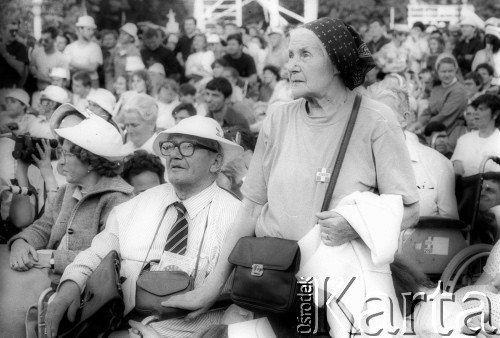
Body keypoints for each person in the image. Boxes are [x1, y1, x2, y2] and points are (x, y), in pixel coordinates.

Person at [161, 18, 419, 336]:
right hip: (271, 280)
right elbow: (251, 208)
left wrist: (355, 226)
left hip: (338, 289)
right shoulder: (278, 117)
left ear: (337, 62)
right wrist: (209, 288)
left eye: (304, 55)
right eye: (290, 55)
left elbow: (409, 211)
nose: (291, 66)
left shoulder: (376, 120)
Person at [44, 116, 243, 338]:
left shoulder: (238, 218)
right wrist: (70, 285)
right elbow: (97, 253)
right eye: (170, 147)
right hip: (123, 328)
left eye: (188, 147)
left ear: (215, 162)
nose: (174, 154)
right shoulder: (137, 205)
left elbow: (248, 306)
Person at [0, 111, 133, 337]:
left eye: (66, 154)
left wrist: (50, 259)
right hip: (43, 270)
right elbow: (43, 226)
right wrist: (22, 241)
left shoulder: (118, 200)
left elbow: (107, 259)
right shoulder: (69, 188)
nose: (60, 161)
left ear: (90, 161)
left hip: (70, 285)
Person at [369, 85, 458, 218]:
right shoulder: (354, 161)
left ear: (405, 118)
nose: (374, 122)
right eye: (370, 115)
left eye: (383, 115)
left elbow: (449, 226)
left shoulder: (437, 163)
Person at [412, 53, 468, 136]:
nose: (447, 75)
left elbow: (444, 116)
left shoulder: (459, 90)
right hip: (432, 126)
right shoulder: (437, 88)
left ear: (455, 71)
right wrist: (419, 123)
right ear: (437, 71)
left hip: (450, 131)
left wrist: (423, 129)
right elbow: (429, 111)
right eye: (443, 71)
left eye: (450, 71)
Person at [452, 94, 500, 176]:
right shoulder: (464, 139)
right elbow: (457, 169)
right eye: (476, 109)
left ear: (495, 114)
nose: (476, 113)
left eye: (481, 109)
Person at [64, 16, 103, 88]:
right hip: (75, 83)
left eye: (93, 30)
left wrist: (72, 63)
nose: (91, 32)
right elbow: (66, 67)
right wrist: (84, 66)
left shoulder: (95, 47)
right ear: (80, 29)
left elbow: (92, 68)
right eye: (88, 29)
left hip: (91, 83)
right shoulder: (69, 47)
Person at [30, 27, 68, 91]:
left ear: (54, 40)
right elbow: (31, 68)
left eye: (46, 40)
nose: (43, 43)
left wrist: (45, 78)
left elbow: (65, 81)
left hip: (55, 92)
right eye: (42, 40)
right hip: (39, 91)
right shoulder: (36, 52)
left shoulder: (61, 58)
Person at [0, 20, 28, 89]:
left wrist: (5, 53)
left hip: (11, 89)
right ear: (2, 31)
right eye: (11, 31)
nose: (15, 33)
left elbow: (22, 69)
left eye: (16, 31)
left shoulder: (20, 47)